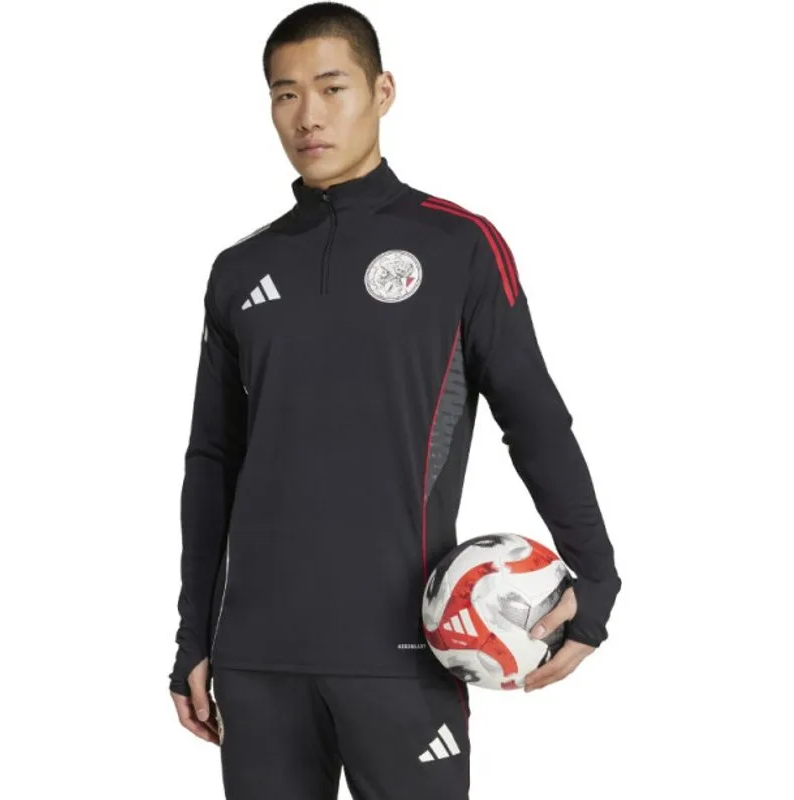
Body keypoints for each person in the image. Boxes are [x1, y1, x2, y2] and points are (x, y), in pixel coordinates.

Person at [168, 3, 622, 798]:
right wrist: (193, 636)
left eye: (331, 87)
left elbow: (535, 420)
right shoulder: (238, 271)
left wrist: (597, 577)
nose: (308, 116)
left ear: (382, 91)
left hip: (405, 655)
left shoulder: (458, 245)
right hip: (257, 662)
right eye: (284, 94)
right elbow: (213, 462)